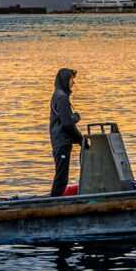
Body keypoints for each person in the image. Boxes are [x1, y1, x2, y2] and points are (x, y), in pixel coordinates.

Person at [49, 68, 87, 196]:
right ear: (65, 80)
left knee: (62, 175)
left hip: (60, 140)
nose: (73, 82)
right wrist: (80, 139)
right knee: (61, 177)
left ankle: (55, 201)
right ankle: (54, 203)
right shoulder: (61, 97)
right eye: (71, 79)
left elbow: (66, 121)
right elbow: (66, 124)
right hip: (61, 141)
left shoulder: (59, 96)